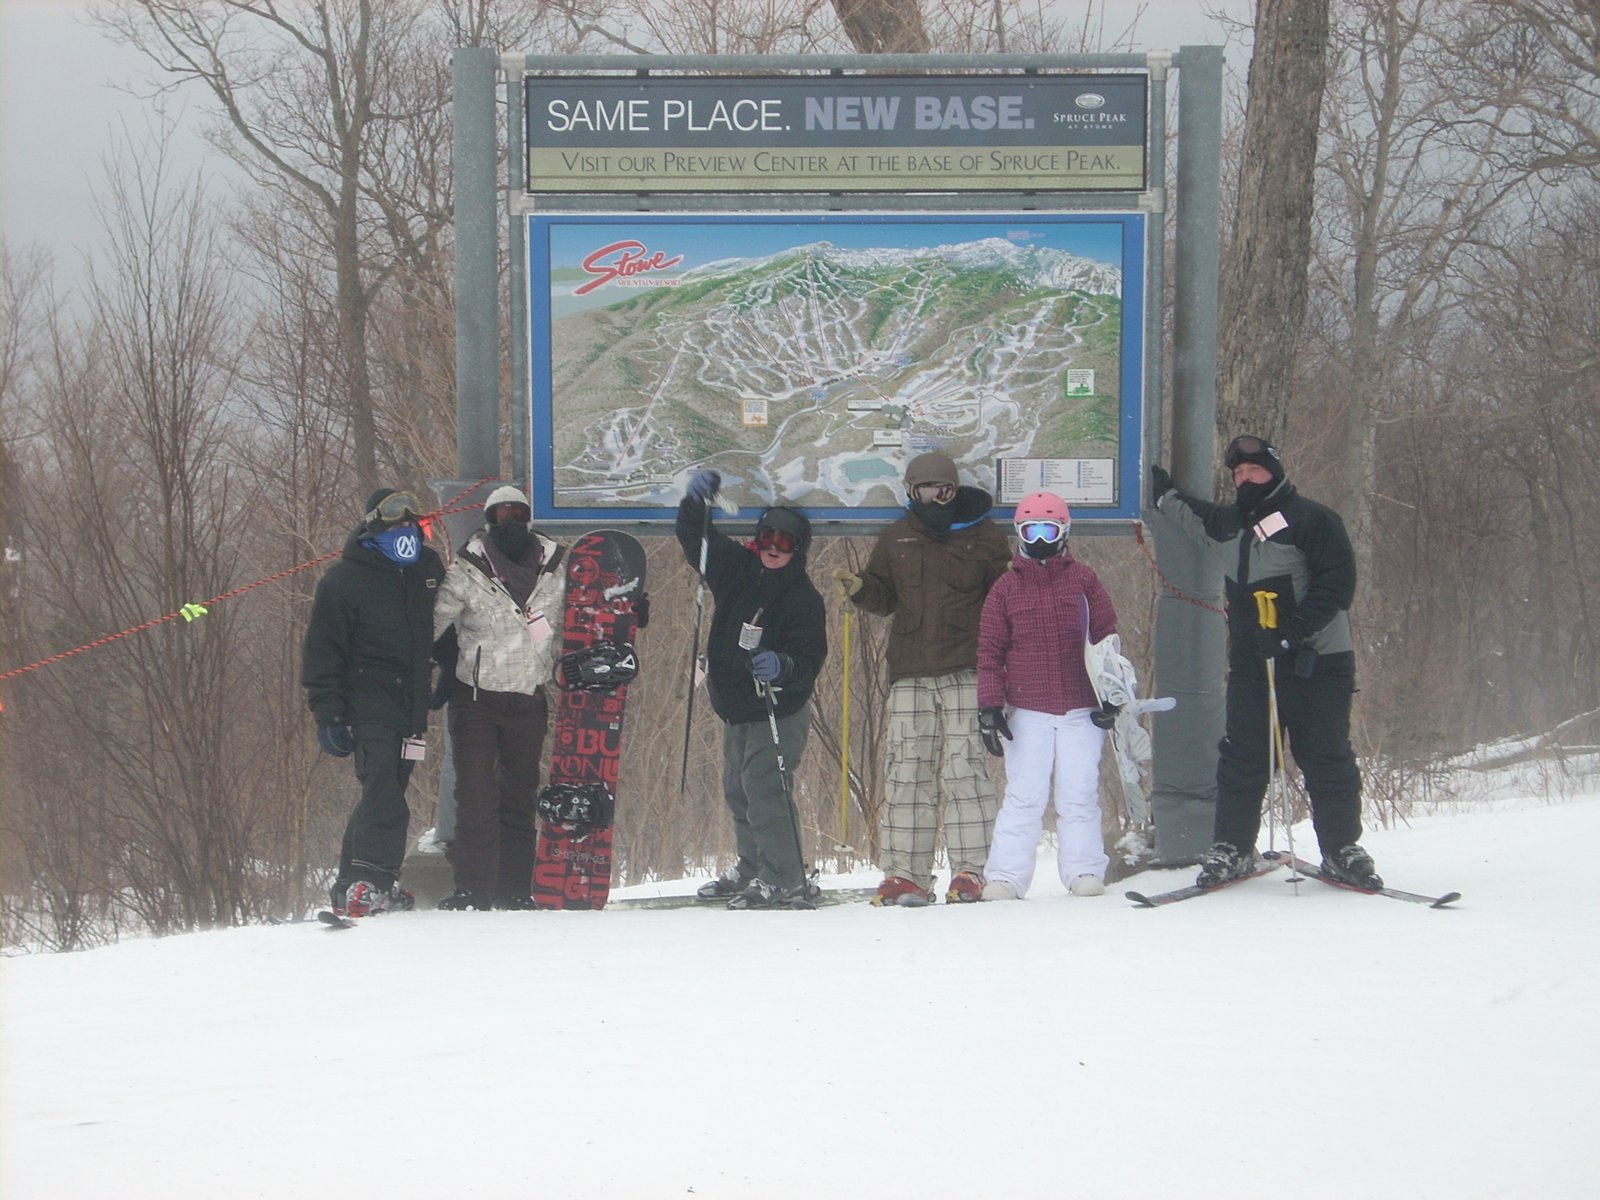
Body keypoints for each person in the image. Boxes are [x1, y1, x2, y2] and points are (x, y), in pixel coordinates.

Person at [1150, 435, 1377, 888]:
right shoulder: (1229, 523)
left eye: (1254, 471)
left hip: (1319, 662)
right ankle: (1232, 848)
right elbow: (1190, 516)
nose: (1244, 479)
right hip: (1255, 667)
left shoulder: (1313, 520)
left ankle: (1341, 848)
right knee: (1243, 759)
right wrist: (1161, 493)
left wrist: (1292, 633)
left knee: (1326, 757)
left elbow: (1337, 586)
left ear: (1274, 471)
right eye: (1237, 474)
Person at [830, 451, 1012, 906]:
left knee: (964, 769)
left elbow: (1003, 601)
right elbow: (884, 596)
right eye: (924, 490)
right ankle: (906, 874)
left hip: (966, 665)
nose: (934, 498)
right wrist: (860, 590)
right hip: (910, 668)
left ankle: (972, 870)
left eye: (943, 489)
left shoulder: (985, 536)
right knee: (907, 771)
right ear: (910, 492)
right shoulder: (897, 538)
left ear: (955, 490)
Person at [677, 470, 828, 910]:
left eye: (785, 544)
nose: (774, 550)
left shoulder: (803, 596)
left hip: (778, 708)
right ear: (757, 540)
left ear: (797, 549)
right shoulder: (735, 570)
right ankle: (754, 865)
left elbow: (811, 657)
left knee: (764, 789)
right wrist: (695, 504)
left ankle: (785, 876)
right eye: (767, 540)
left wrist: (783, 665)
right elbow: (695, 539)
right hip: (736, 705)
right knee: (738, 790)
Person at [302, 487, 446, 918]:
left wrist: (445, 673)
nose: (405, 530)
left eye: (411, 523)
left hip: (410, 704)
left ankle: (351, 883)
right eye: (396, 523)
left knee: (383, 790)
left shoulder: (428, 569)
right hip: (366, 702)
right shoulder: (344, 581)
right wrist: (328, 712)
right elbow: (322, 651)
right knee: (384, 792)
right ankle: (374, 882)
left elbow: (444, 628)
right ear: (373, 526)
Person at [430, 486, 569, 911]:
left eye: (518, 514)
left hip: (528, 697)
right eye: (499, 516)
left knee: (519, 795)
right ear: (487, 521)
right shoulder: (468, 568)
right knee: (475, 796)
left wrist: (629, 607)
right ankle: (473, 887)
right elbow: (430, 622)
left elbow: (587, 609)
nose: (509, 523)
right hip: (477, 698)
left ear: (529, 517)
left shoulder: (557, 566)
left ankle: (515, 887)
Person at [976, 491, 1119, 900]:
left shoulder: (1084, 580)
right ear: (1019, 533)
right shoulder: (1005, 589)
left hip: (1081, 707)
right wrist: (990, 705)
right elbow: (990, 650)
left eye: (1048, 529)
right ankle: (1006, 876)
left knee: (1078, 792)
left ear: (1064, 531)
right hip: (1027, 708)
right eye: (1031, 530)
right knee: (1024, 795)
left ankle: (1084, 870)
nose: (1040, 539)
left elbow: (1107, 638)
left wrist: (1112, 695)